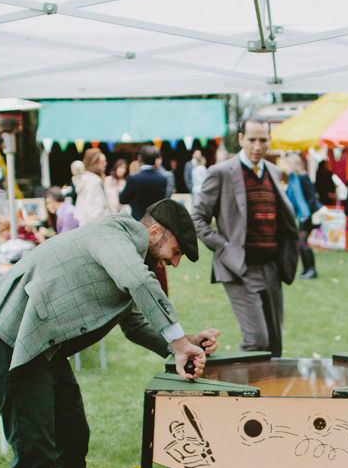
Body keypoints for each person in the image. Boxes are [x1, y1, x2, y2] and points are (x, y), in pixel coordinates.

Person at [0, 200, 220, 468]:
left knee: (73, 438)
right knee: (35, 456)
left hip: (41, 348)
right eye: (175, 253)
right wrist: (177, 342)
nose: (174, 264)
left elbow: (136, 323)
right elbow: (138, 283)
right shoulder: (115, 234)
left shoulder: (129, 256)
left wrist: (184, 342)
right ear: (155, 233)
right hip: (8, 344)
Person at [191, 117, 299, 357]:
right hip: (240, 267)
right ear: (241, 139)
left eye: (263, 139)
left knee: (274, 343)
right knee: (257, 340)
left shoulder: (272, 170)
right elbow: (197, 219)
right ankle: (243, 390)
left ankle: (269, 392)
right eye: (252, 140)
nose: (257, 146)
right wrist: (224, 247)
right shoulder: (221, 172)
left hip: (271, 266)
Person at [284, 152, 321, 279]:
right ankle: (307, 269)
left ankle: (311, 269)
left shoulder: (302, 177)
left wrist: (307, 213)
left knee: (302, 242)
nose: (285, 167)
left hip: (307, 216)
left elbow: (312, 196)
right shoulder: (293, 179)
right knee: (301, 243)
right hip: (301, 215)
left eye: (287, 164)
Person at [119, 146, 169, 222]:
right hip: (155, 221)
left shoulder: (133, 179)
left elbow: (123, 199)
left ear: (139, 158)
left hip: (138, 221)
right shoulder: (163, 179)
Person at [74, 148, 111, 225]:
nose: (106, 163)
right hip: (96, 227)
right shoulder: (94, 181)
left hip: (85, 226)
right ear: (94, 163)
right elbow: (95, 211)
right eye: (102, 162)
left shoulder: (85, 179)